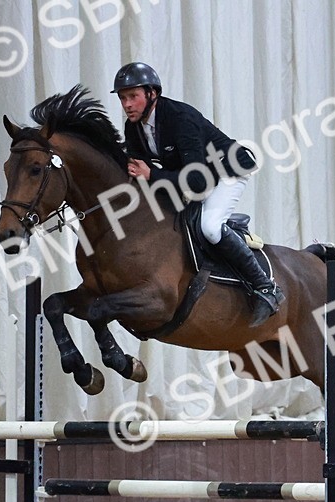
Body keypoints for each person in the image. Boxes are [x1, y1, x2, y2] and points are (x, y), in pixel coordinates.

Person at [112, 62, 284, 327]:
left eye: (132, 96)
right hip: (198, 177)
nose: (127, 104)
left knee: (211, 227)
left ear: (152, 94)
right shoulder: (133, 128)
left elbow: (195, 179)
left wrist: (152, 175)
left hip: (228, 170)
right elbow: (137, 170)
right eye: (123, 98)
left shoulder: (180, 118)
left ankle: (266, 287)